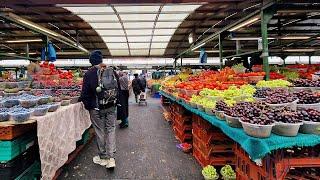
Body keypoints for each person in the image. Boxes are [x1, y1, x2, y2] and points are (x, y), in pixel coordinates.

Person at [80, 50, 119, 169]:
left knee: (100, 131)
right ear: (101, 60)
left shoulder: (89, 74)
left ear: (91, 61)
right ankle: (111, 158)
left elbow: (85, 94)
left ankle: (103, 157)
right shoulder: (111, 70)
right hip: (111, 106)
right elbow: (118, 90)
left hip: (96, 108)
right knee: (111, 129)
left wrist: (89, 106)